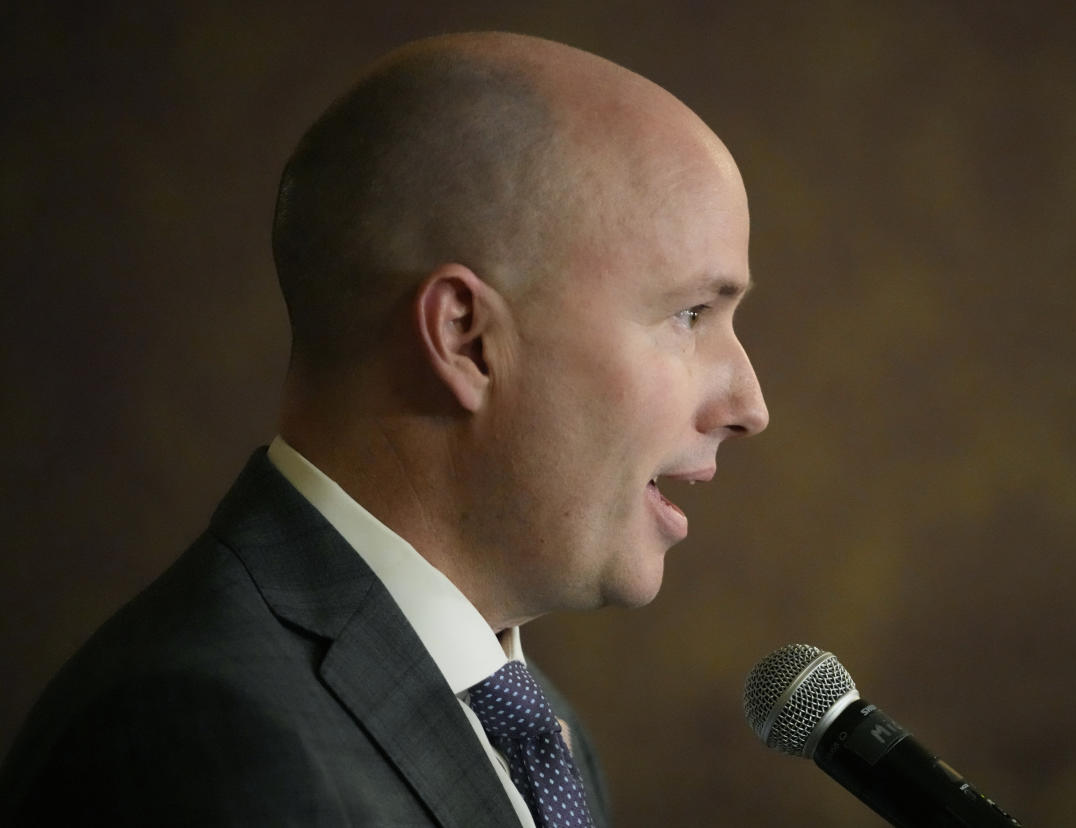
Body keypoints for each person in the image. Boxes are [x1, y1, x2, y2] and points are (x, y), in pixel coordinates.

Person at [0, 31, 768, 826]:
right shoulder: (201, 741)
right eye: (689, 315)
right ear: (466, 339)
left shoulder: (538, 734)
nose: (749, 403)